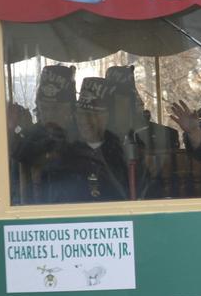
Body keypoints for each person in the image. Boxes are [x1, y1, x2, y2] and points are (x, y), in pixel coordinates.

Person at [48, 77, 129, 203]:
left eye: (93, 115)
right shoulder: (65, 154)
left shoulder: (122, 153)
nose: (85, 121)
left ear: (107, 118)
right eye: (81, 114)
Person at [9, 64, 78, 204]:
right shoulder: (26, 143)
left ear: (71, 110)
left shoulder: (81, 139)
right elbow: (14, 193)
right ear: (38, 107)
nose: (50, 115)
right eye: (44, 108)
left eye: (57, 108)